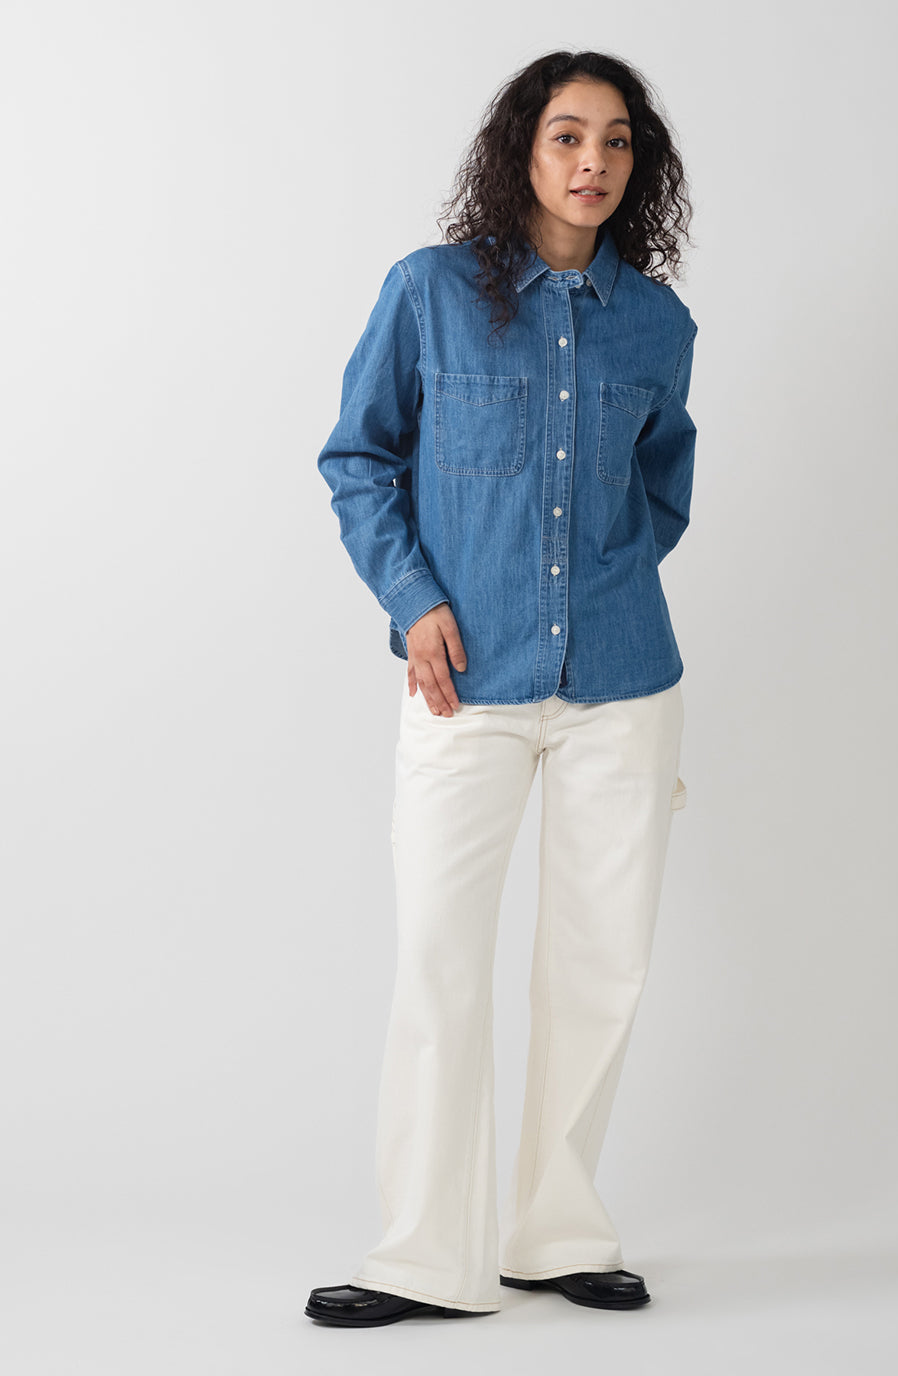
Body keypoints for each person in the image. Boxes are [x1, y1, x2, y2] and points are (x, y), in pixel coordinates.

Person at [305, 49, 698, 1328]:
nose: (593, 162)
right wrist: (417, 594)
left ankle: (557, 1230)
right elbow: (359, 457)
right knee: (440, 959)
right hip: (462, 687)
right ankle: (425, 1254)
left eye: (617, 141)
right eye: (568, 135)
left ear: (639, 165)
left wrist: (596, 586)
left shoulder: (659, 325)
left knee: (601, 965)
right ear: (522, 148)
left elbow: (661, 495)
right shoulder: (429, 292)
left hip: (622, 684)